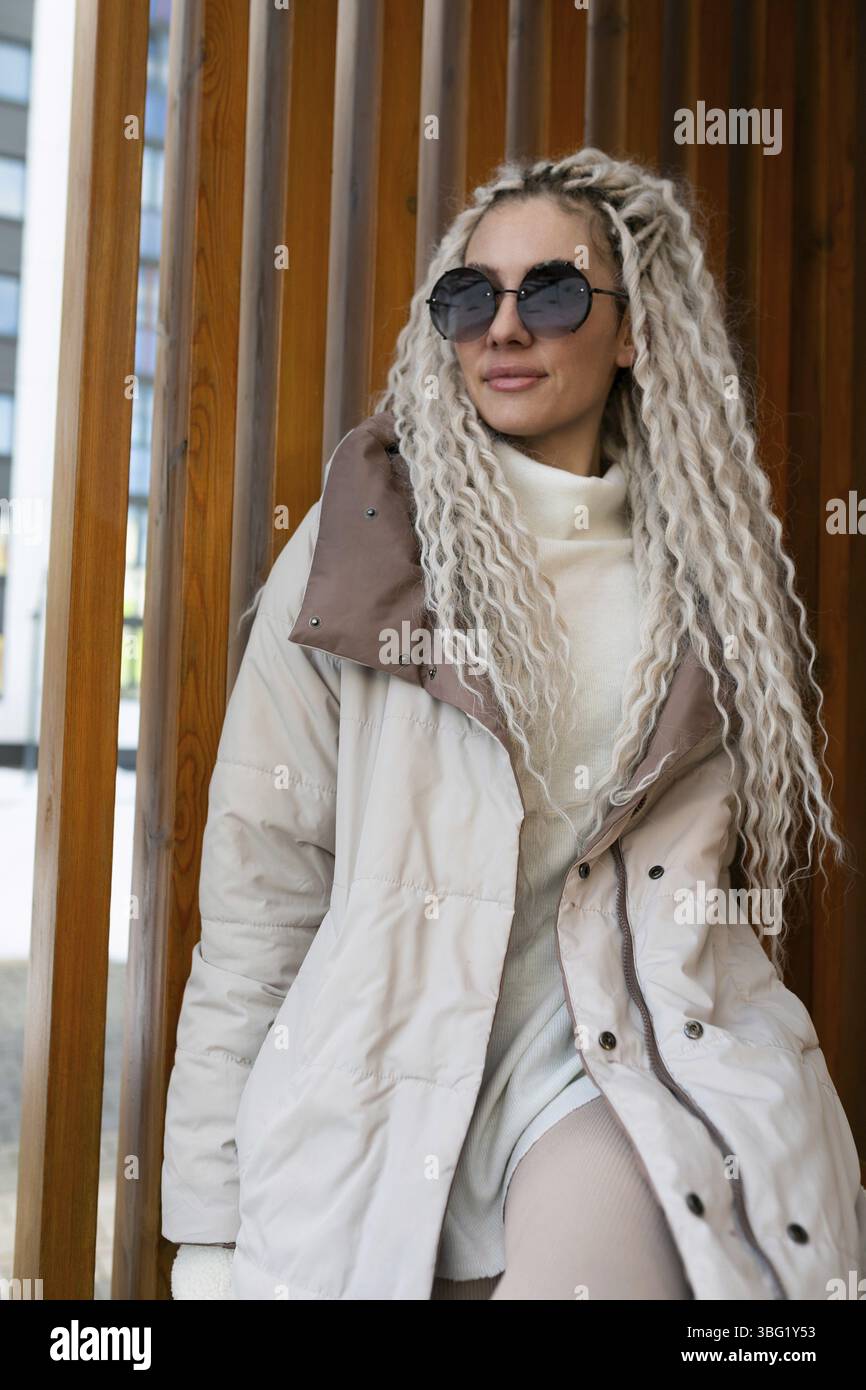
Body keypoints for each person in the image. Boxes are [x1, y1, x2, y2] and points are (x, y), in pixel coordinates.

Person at [163, 147, 866, 1301]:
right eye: (466, 296)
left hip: (594, 1073)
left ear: (630, 330)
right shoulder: (365, 546)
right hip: (379, 1072)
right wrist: (208, 1216)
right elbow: (260, 886)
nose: (502, 326)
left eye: (548, 291)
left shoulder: (712, 581)